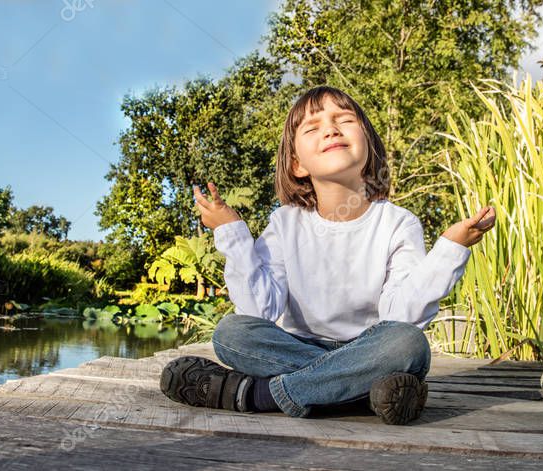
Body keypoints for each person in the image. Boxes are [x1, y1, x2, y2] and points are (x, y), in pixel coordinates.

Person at [159, 85, 495, 425]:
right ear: (296, 165)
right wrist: (231, 232)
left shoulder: (398, 223)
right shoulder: (284, 223)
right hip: (297, 348)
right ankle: (360, 393)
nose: (331, 129)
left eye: (343, 120)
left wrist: (452, 247)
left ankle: (257, 395)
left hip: (373, 349)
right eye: (313, 127)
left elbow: (401, 317)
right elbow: (258, 311)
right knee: (232, 333)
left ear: (368, 144)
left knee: (408, 345)